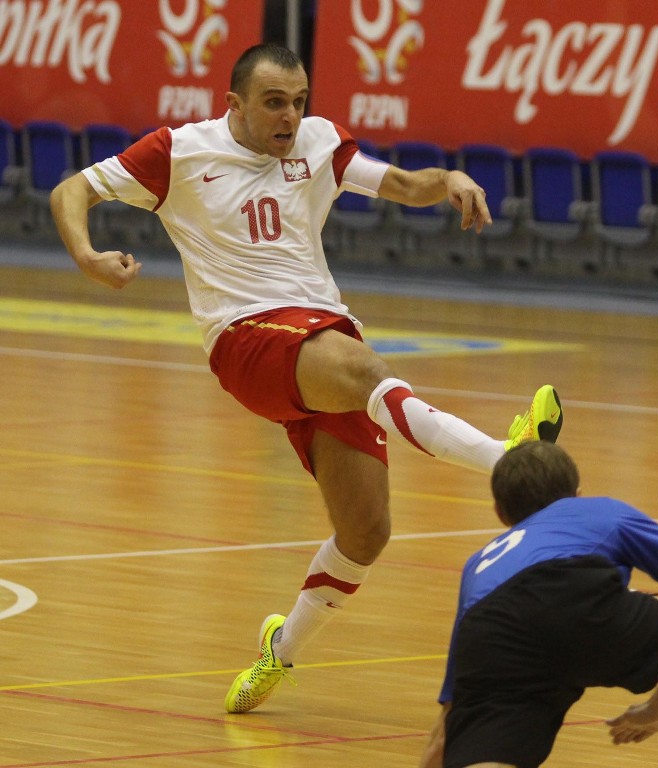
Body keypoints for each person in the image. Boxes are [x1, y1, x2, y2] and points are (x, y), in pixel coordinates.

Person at [49, 42, 564, 714]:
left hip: (321, 335)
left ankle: (278, 652)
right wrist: (86, 255)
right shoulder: (181, 150)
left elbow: (406, 184)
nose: (290, 115)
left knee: (366, 532)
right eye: (273, 102)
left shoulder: (319, 142)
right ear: (234, 103)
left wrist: (451, 179)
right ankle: (514, 459)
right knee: (366, 370)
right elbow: (73, 188)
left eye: (298, 101)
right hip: (246, 339)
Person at [420, 441, 658, 768]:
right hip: (566, 590)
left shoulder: (478, 564)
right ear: (577, 495)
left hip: (491, 634)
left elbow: (442, 735)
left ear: (500, 513)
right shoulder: (599, 511)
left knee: (490, 755)